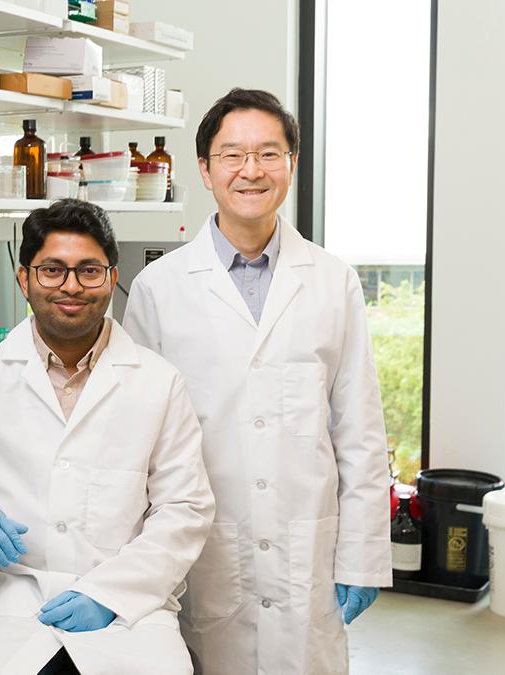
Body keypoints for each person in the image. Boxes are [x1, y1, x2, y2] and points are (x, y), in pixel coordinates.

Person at [0, 199, 215, 675]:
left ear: (112, 279)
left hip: (128, 609)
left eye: (89, 271)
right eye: (52, 270)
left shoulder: (158, 382)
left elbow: (185, 510)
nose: (71, 286)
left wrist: (109, 594)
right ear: (24, 278)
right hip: (9, 602)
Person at [123, 88, 391, 674]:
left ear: (291, 164)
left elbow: (360, 429)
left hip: (307, 544)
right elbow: (137, 439)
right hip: (204, 544)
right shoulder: (158, 289)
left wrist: (364, 555)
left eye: (269, 154)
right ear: (205, 169)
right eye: (232, 155)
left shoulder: (332, 280)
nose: (251, 170)